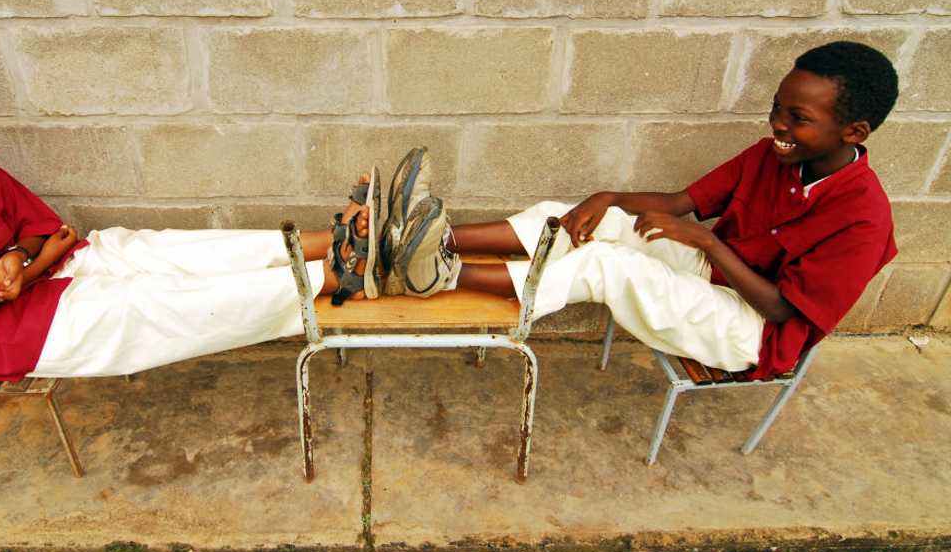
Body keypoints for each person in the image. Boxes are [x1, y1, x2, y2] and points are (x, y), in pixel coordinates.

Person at [0, 52, 384, 381]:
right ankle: (339, 277)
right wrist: (36, 264)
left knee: (151, 248)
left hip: (50, 272)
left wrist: (19, 254)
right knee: (146, 303)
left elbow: (43, 230)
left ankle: (334, 241)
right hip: (4, 332)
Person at [379, 41, 899, 379]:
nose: (776, 125)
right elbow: (680, 204)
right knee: (586, 219)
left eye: (797, 118)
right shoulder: (775, 156)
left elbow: (783, 310)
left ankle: (438, 275)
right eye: (777, 109)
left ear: (853, 132)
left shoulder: (864, 217)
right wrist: (606, 197)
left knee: (605, 264)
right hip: (715, 272)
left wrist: (708, 242)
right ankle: (430, 242)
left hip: (753, 331)